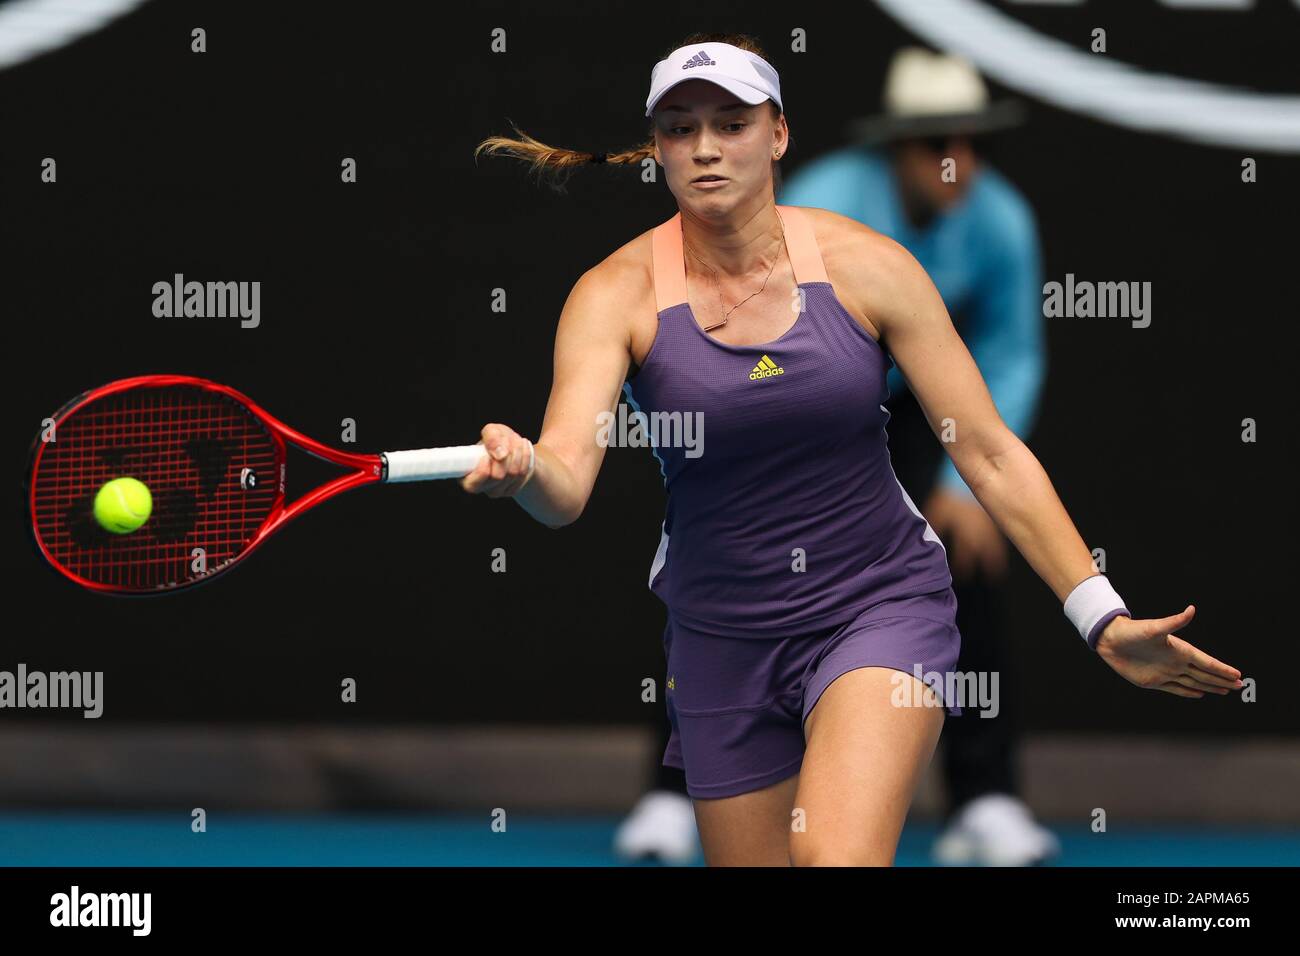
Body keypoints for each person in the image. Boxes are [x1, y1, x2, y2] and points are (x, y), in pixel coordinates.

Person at [466, 32, 1242, 867]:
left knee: (833, 858)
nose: (706, 148)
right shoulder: (611, 294)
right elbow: (567, 484)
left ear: (778, 134)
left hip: (878, 603)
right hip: (720, 636)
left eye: (731, 123)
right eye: (681, 128)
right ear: (657, 148)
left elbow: (987, 450)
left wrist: (1102, 617)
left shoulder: (868, 266)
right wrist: (526, 473)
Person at [776, 46, 1056, 865]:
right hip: (806, 414)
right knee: (726, 573)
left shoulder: (1001, 221)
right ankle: (672, 793)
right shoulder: (822, 205)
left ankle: (986, 799)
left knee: (965, 559)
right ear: (894, 147)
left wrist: (966, 491)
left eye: (971, 141)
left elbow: (1011, 355)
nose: (956, 161)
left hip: (928, 416)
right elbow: (780, 348)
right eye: (936, 140)